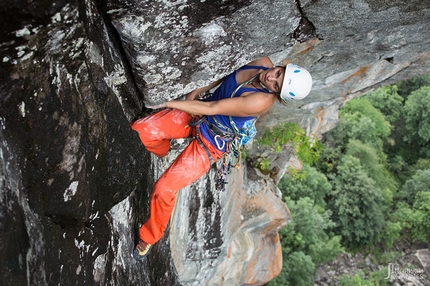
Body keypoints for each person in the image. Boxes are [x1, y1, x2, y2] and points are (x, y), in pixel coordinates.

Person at [131, 56, 312, 260]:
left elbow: (213, 108)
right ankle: (162, 149)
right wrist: (193, 94)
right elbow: (221, 76)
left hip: (211, 142)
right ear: (282, 66)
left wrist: (168, 103)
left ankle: (150, 237)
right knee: (141, 131)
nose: (271, 77)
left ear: (277, 93)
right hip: (199, 115)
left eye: (276, 85)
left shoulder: (260, 100)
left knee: (164, 189)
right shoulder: (262, 62)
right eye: (278, 73)